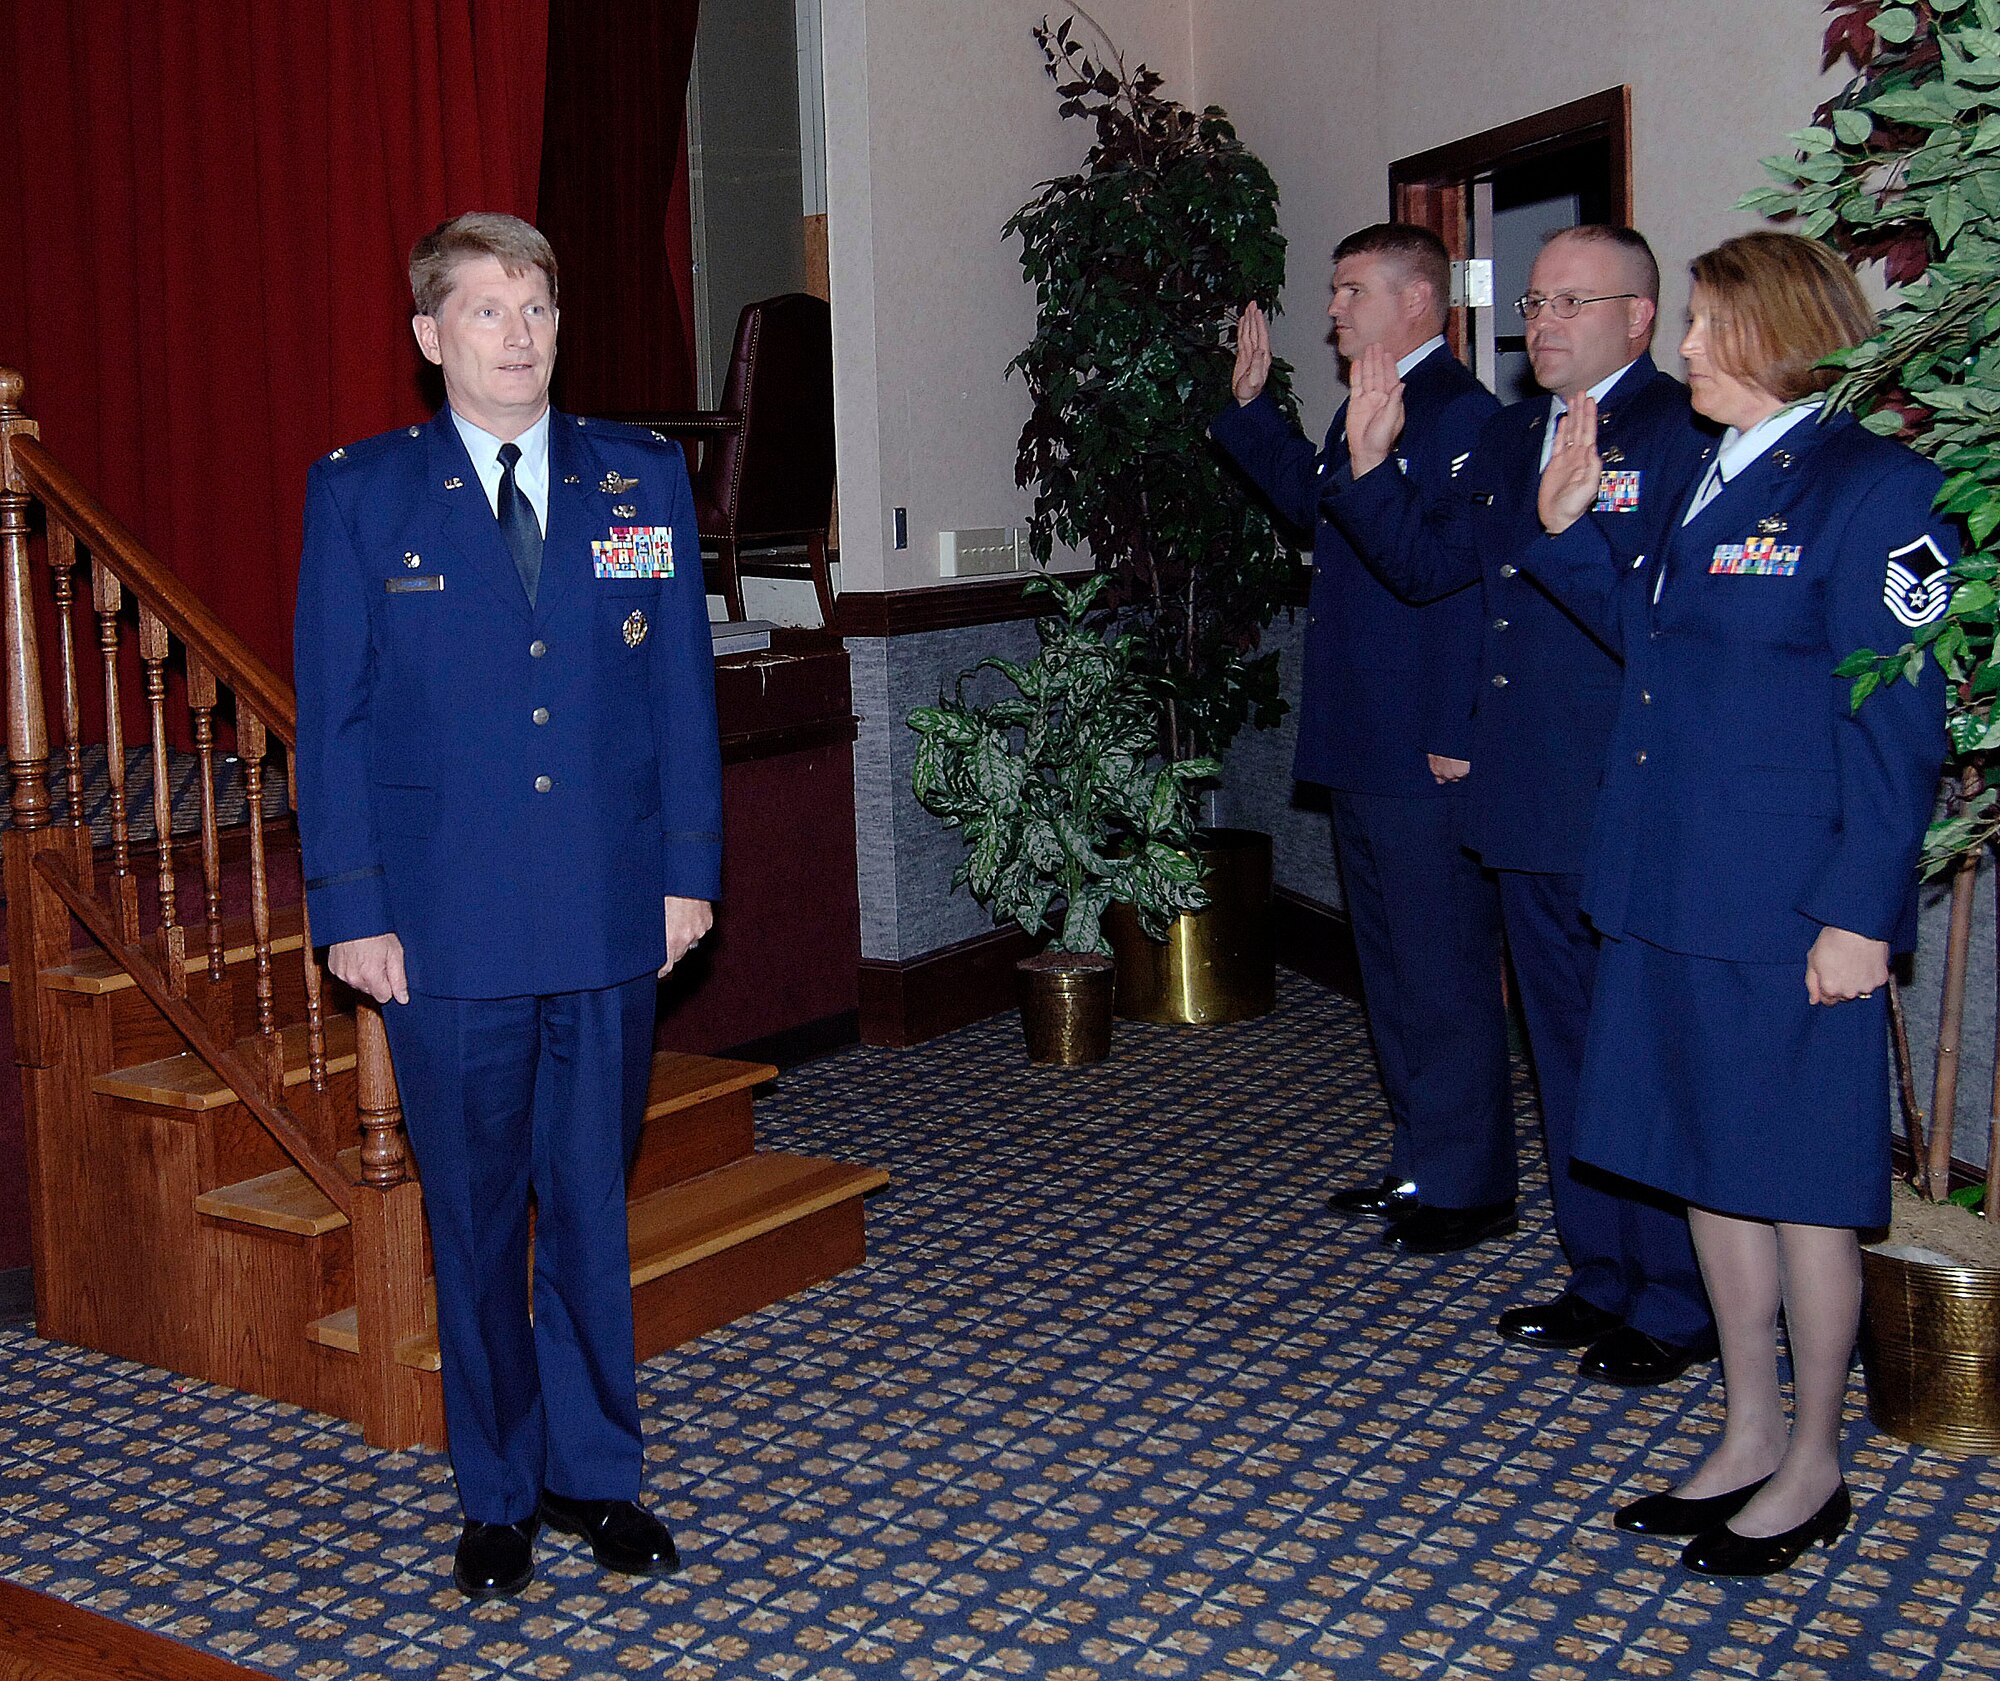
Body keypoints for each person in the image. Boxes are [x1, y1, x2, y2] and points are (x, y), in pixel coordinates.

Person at [293, 212, 723, 1600]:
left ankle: (598, 1475)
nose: (520, 332)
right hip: (449, 930)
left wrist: (686, 873)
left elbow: (676, 697)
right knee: (475, 1218)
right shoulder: (365, 495)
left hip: (607, 912)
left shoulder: (638, 479)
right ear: (431, 341)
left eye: (537, 306)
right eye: (487, 310)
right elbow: (338, 725)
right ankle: (496, 1494)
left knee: (590, 1206)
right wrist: (351, 905)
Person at [1532, 231, 1948, 1576]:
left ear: (1779, 331)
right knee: (1714, 1169)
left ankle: (1817, 1457)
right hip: (1672, 884)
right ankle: (1750, 1427)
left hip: (1788, 908)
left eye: (1708, 324)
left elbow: (1897, 731)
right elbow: (1655, 650)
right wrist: (1575, 524)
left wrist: (1858, 916)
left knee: (1805, 1190)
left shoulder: (1875, 488)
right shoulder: (1715, 470)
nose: (1690, 347)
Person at [1323, 227, 1721, 1387]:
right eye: (1532, 304)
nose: (1538, 325)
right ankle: (1599, 1273)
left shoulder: (1679, 434)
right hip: (1528, 795)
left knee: (1636, 1057)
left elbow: (1658, 622)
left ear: (1637, 318)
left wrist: (1574, 526)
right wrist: (1364, 467)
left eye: (1567, 304)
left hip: (1625, 795)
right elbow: (1430, 569)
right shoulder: (1507, 433)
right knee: (1560, 1051)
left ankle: (1677, 1294)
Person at [1212, 224, 1515, 1255]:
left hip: (1424, 743)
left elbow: (1452, 579)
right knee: (1387, 967)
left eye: (1349, 292)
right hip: (1363, 728)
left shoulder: (1466, 415)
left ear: (1416, 300)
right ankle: (1421, 1161)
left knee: (1442, 971)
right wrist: (1252, 415)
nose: (1330, 310)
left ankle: (1469, 1185)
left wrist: (1456, 730)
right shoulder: (1370, 401)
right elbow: (1320, 505)